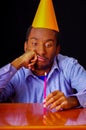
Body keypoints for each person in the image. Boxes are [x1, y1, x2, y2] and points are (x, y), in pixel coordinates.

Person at [0, 0, 86, 111]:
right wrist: (18, 62)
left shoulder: (69, 65)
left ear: (57, 49)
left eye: (48, 45)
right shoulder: (17, 72)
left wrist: (74, 101)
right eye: (35, 43)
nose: (41, 51)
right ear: (26, 46)